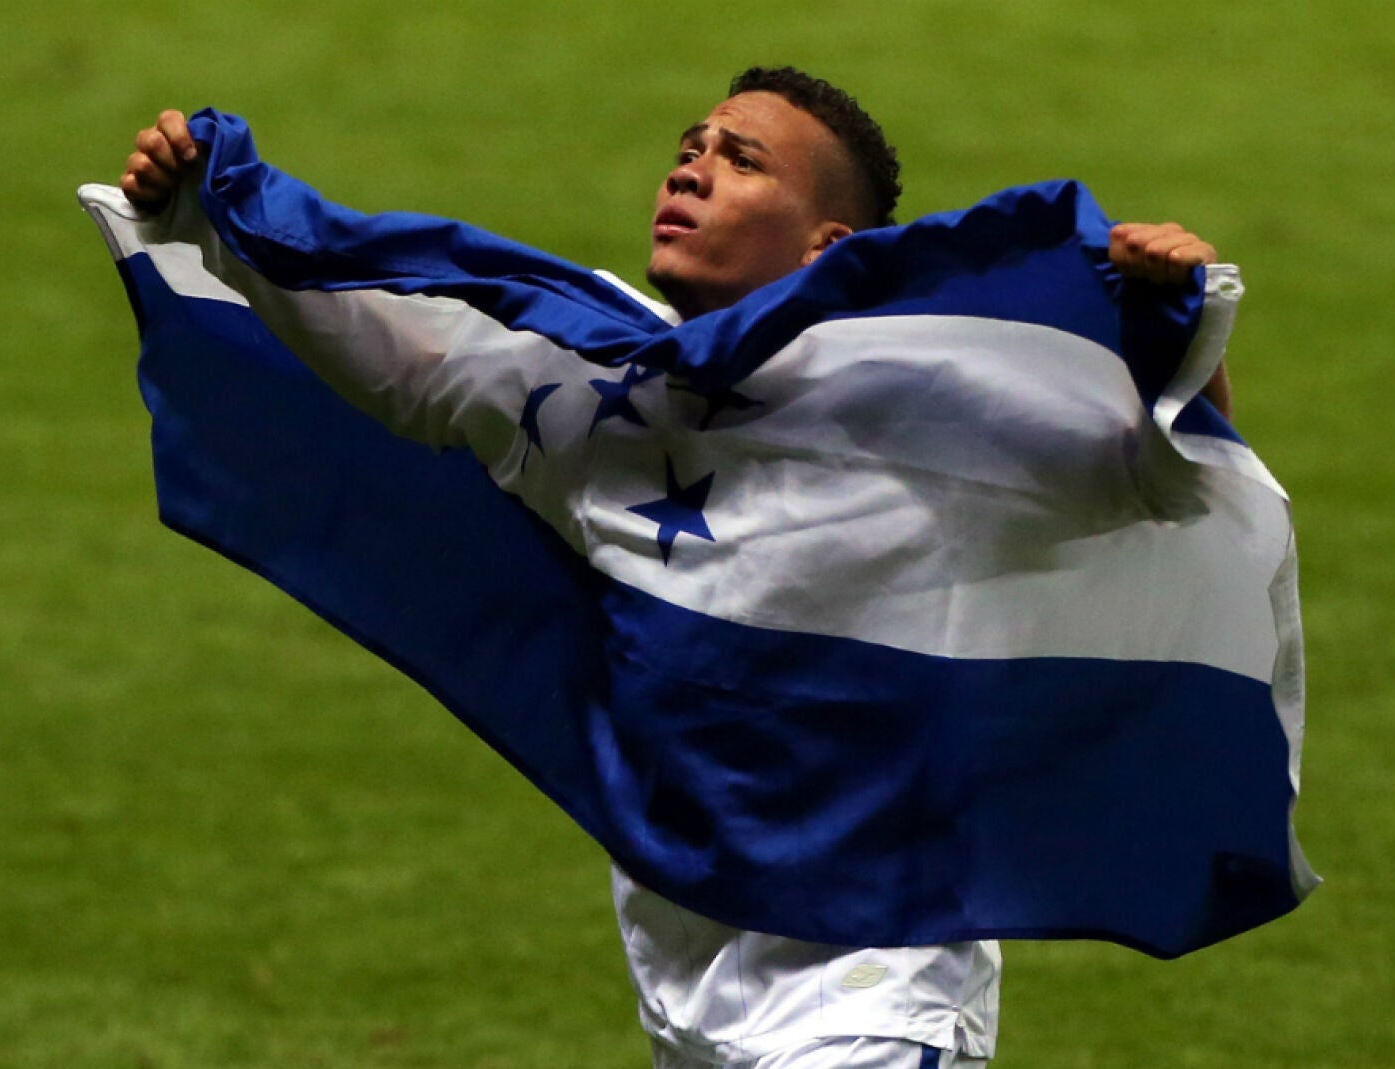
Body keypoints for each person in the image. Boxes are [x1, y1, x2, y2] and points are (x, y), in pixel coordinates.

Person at [120, 66, 1237, 1069]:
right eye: (690, 147)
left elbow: (1162, 472)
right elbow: (382, 333)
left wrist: (1164, 331)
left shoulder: (933, 409)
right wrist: (205, 211)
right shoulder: (592, 376)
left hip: (872, 994)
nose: (693, 166)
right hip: (686, 987)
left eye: (740, 159)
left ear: (827, 248)